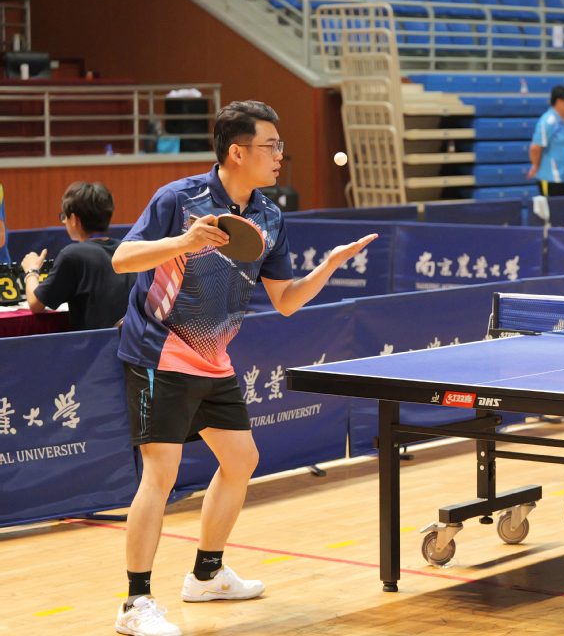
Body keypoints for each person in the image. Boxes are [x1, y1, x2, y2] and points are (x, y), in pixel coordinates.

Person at [110, 101, 375, 636]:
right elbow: (122, 259)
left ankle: (206, 575)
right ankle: (135, 603)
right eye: (271, 146)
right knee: (160, 473)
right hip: (159, 351)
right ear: (237, 151)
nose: (279, 156)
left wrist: (327, 267)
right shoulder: (179, 199)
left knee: (241, 459)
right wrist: (183, 242)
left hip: (213, 357)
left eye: (279, 146)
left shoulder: (269, 217)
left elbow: (285, 301)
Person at [20, 181, 133, 331]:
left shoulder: (72, 255)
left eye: (64, 217)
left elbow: (35, 304)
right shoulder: (128, 250)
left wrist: (31, 270)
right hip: (134, 343)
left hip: (95, 344)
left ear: (74, 219)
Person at [527, 85, 564, 198]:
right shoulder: (548, 122)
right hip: (550, 178)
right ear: (559, 102)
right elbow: (535, 148)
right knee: (551, 209)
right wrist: (536, 165)